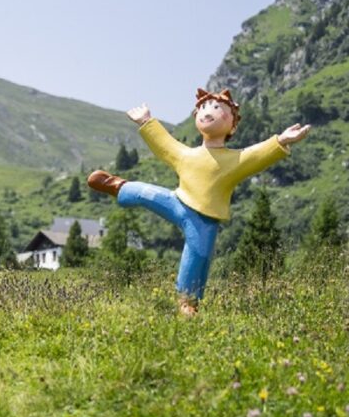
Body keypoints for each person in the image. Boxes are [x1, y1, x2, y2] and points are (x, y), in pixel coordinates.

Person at [88, 88, 310, 316]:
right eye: (203, 108)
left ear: (233, 126)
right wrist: (146, 121)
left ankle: (188, 301)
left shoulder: (236, 160)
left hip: (203, 219)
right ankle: (118, 186)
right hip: (177, 201)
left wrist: (281, 140)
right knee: (148, 193)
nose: (208, 111)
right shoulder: (186, 154)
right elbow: (165, 144)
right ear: (196, 117)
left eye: (216, 108)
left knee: (198, 257)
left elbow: (258, 154)